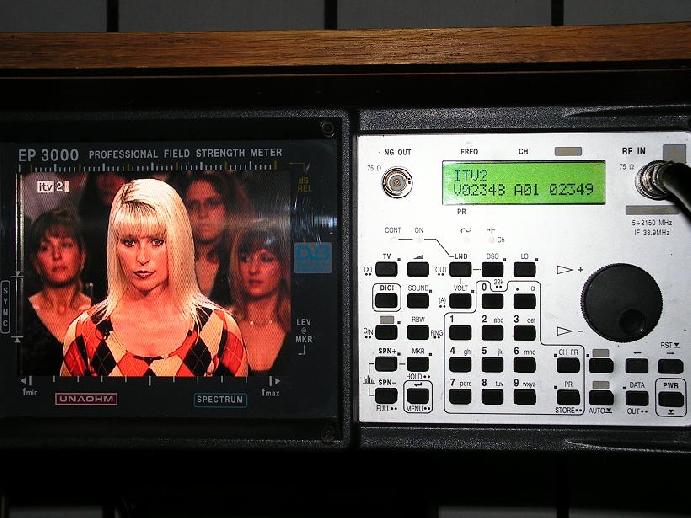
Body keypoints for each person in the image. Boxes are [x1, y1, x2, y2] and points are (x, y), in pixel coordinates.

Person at [61, 178, 248, 377]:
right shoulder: (85, 333)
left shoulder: (219, 330)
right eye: (130, 242)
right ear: (115, 247)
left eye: (156, 241)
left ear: (177, 242)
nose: (142, 257)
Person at [22, 209, 91, 375]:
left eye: (66, 245)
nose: (57, 255)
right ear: (35, 262)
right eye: (45, 248)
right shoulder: (19, 316)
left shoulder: (103, 316)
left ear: (82, 256)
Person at [180, 171, 253, 307]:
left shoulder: (246, 261)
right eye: (193, 205)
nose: (202, 213)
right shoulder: (172, 261)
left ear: (229, 209)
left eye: (212, 203)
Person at [229, 221, 291, 375]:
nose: (253, 269)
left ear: (284, 266)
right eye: (245, 258)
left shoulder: (298, 327)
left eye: (265, 259)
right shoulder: (221, 327)